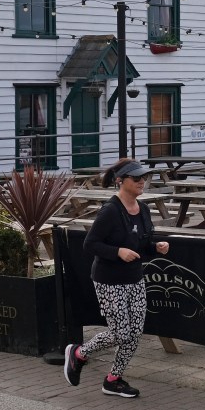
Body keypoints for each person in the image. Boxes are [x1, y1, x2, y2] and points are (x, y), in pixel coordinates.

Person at [63, 158, 169, 397]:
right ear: (121, 181)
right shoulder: (110, 211)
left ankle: (113, 379)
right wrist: (117, 252)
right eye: (137, 178)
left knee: (134, 333)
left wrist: (156, 247)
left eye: (144, 177)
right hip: (109, 280)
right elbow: (90, 244)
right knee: (120, 332)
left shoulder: (142, 209)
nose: (142, 182)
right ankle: (78, 354)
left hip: (135, 278)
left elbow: (141, 244)